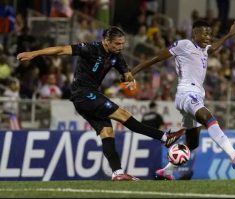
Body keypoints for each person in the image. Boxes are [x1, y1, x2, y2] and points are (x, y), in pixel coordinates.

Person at [17, 26, 185, 181]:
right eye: (117, 43)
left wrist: (129, 80)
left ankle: (118, 173)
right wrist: (34, 53)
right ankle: (164, 137)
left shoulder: (116, 56)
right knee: (123, 115)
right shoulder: (90, 48)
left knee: (107, 133)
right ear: (106, 41)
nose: (120, 46)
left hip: (89, 97)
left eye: (122, 43)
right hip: (83, 93)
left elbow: (125, 73)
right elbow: (61, 50)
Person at [131, 20, 235, 180]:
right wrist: (133, 71)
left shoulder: (205, 49)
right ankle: (233, 154)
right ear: (194, 33)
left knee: (193, 142)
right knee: (208, 118)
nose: (207, 36)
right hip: (187, 93)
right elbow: (157, 57)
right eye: (204, 32)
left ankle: (166, 171)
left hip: (195, 95)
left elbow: (214, 47)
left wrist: (229, 34)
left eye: (209, 33)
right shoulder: (184, 45)